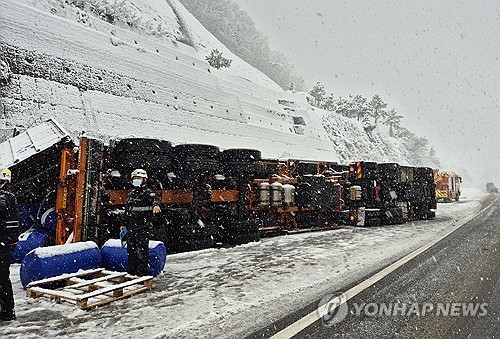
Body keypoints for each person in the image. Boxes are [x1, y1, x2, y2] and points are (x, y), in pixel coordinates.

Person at [121, 169, 161, 276]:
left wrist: (156, 205)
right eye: (134, 179)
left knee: (142, 252)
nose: (136, 181)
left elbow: (156, 199)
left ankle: (142, 274)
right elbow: (127, 210)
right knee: (131, 251)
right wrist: (123, 224)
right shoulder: (132, 194)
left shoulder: (149, 193)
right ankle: (132, 273)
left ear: (144, 180)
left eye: (138, 179)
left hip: (142, 227)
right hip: (131, 227)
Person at [0, 168, 19, 321]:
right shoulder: (8, 197)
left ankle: (7, 311)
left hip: (4, 244)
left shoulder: (5, 198)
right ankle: (6, 309)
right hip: (6, 242)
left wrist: (5, 241)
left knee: (2, 278)